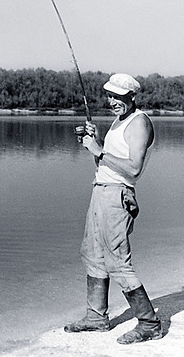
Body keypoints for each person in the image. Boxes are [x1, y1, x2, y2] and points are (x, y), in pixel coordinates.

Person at [64, 73, 163, 345]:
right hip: (101, 192)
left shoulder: (139, 122)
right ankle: (97, 317)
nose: (113, 101)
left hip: (117, 197)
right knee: (93, 254)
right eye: (110, 96)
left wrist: (99, 150)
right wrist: (97, 144)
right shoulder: (119, 122)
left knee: (117, 261)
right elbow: (109, 162)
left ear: (132, 97)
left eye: (119, 97)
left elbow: (133, 168)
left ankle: (149, 323)